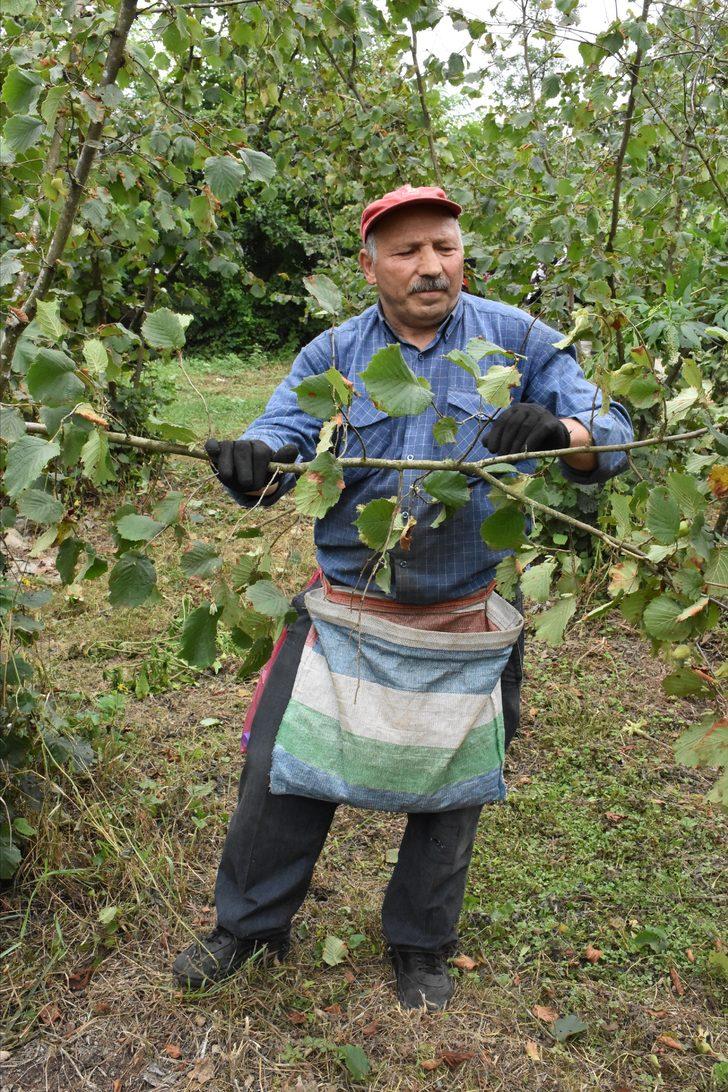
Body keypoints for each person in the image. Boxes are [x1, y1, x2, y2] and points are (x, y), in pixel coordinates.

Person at [173, 185, 633, 1009]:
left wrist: (564, 436)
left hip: (466, 617)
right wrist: (256, 462)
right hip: (348, 608)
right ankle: (248, 929)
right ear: (369, 265)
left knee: (453, 788)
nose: (431, 267)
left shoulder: (519, 340)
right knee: (280, 770)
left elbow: (615, 429)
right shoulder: (332, 355)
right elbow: (283, 436)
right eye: (408, 251)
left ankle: (422, 946)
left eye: (445, 248)